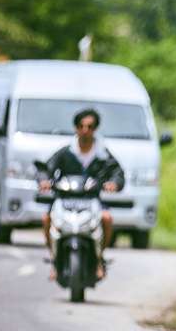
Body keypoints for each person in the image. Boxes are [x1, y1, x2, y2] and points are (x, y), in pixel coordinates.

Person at [39, 108, 124, 280]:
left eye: (90, 127)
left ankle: (99, 258)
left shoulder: (102, 154)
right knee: (46, 219)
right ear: (76, 128)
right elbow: (47, 169)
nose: (85, 130)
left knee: (107, 219)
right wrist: (45, 181)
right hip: (65, 199)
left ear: (95, 129)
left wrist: (113, 184)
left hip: (91, 200)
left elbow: (117, 173)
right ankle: (55, 259)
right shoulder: (66, 152)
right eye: (81, 126)